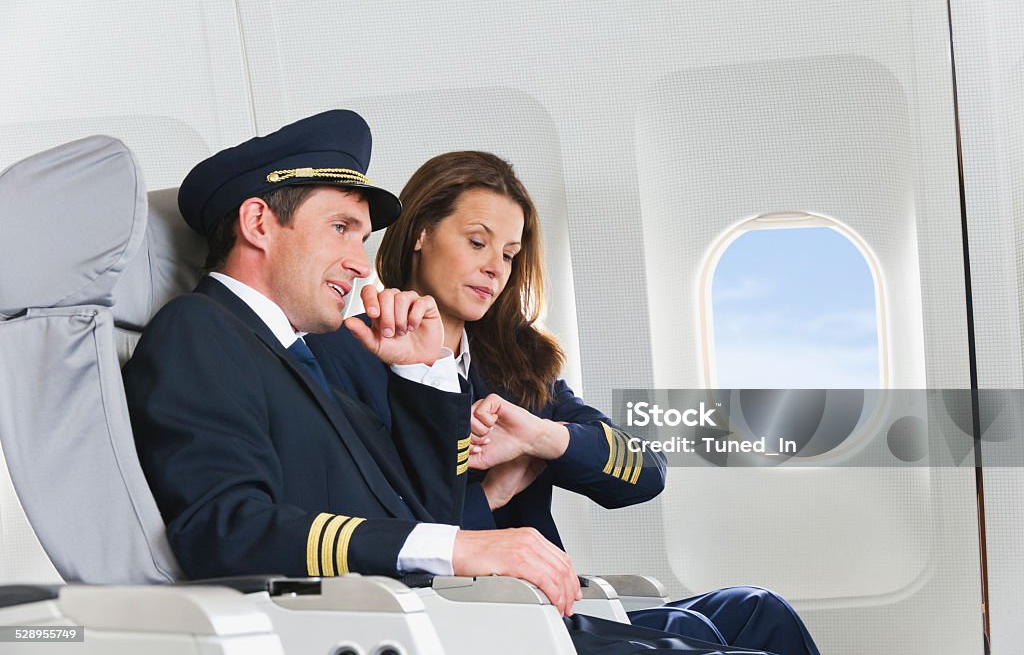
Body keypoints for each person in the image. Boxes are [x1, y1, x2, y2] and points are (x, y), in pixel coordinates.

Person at [124, 112, 780, 655]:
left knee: (753, 613)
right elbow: (227, 529)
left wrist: (511, 422)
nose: (358, 261)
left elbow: (416, 504)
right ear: (259, 222)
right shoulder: (219, 333)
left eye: (509, 253)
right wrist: (473, 518)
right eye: (342, 228)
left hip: (483, 610)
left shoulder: (497, 365)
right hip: (430, 622)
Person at [308, 151, 821, 655]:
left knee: (759, 609)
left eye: (508, 255)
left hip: (548, 607)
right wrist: (494, 496)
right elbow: (367, 527)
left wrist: (543, 436)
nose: (494, 269)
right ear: (420, 232)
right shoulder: (345, 355)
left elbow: (647, 473)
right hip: (465, 614)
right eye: (476, 242)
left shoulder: (518, 364)